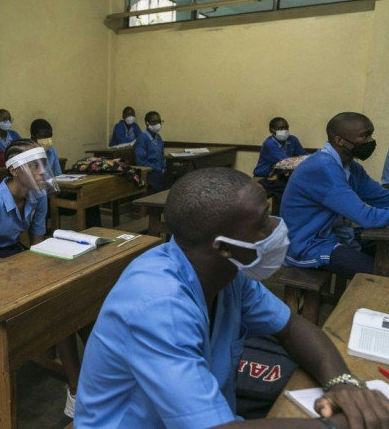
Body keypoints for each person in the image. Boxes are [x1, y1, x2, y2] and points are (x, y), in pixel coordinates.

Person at [75, 167, 389, 428]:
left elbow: (290, 326)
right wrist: (345, 423)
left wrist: (343, 384)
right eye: (263, 222)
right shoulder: (157, 304)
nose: (277, 228)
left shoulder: (226, 274)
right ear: (224, 246)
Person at [0, 139, 80, 418]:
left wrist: (45, 271)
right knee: (53, 308)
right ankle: (75, 385)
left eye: (43, 164)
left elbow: (38, 246)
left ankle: (79, 387)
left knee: (67, 300)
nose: (43, 172)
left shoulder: (39, 196)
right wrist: (28, 277)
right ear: (15, 171)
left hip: (20, 257)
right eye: (34, 166)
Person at [282, 112, 389, 279]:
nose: (371, 141)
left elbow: (382, 198)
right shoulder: (323, 168)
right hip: (307, 245)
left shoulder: (351, 167)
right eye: (365, 135)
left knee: (383, 254)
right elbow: (366, 217)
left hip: (335, 233)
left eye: (371, 134)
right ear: (340, 141)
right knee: (379, 274)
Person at [253, 117, 308, 196]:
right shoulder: (269, 144)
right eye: (281, 128)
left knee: (303, 184)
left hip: (280, 176)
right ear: (272, 131)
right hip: (264, 177)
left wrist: (314, 158)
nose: (284, 131)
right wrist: (303, 159)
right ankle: (283, 208)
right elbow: (287, 162)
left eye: (286, 128)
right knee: (291, 188)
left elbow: (303, 154)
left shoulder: (292, 140)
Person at [134, 110, 165, 191]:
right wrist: (158, 169)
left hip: (159, 172)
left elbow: (162, 157)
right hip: (149, 174)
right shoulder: (142, 138)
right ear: (147, 123)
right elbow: (141, 163)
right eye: (154, 122)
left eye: (159, 121)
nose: (157, 124)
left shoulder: (158, 138)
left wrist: (164, 168)